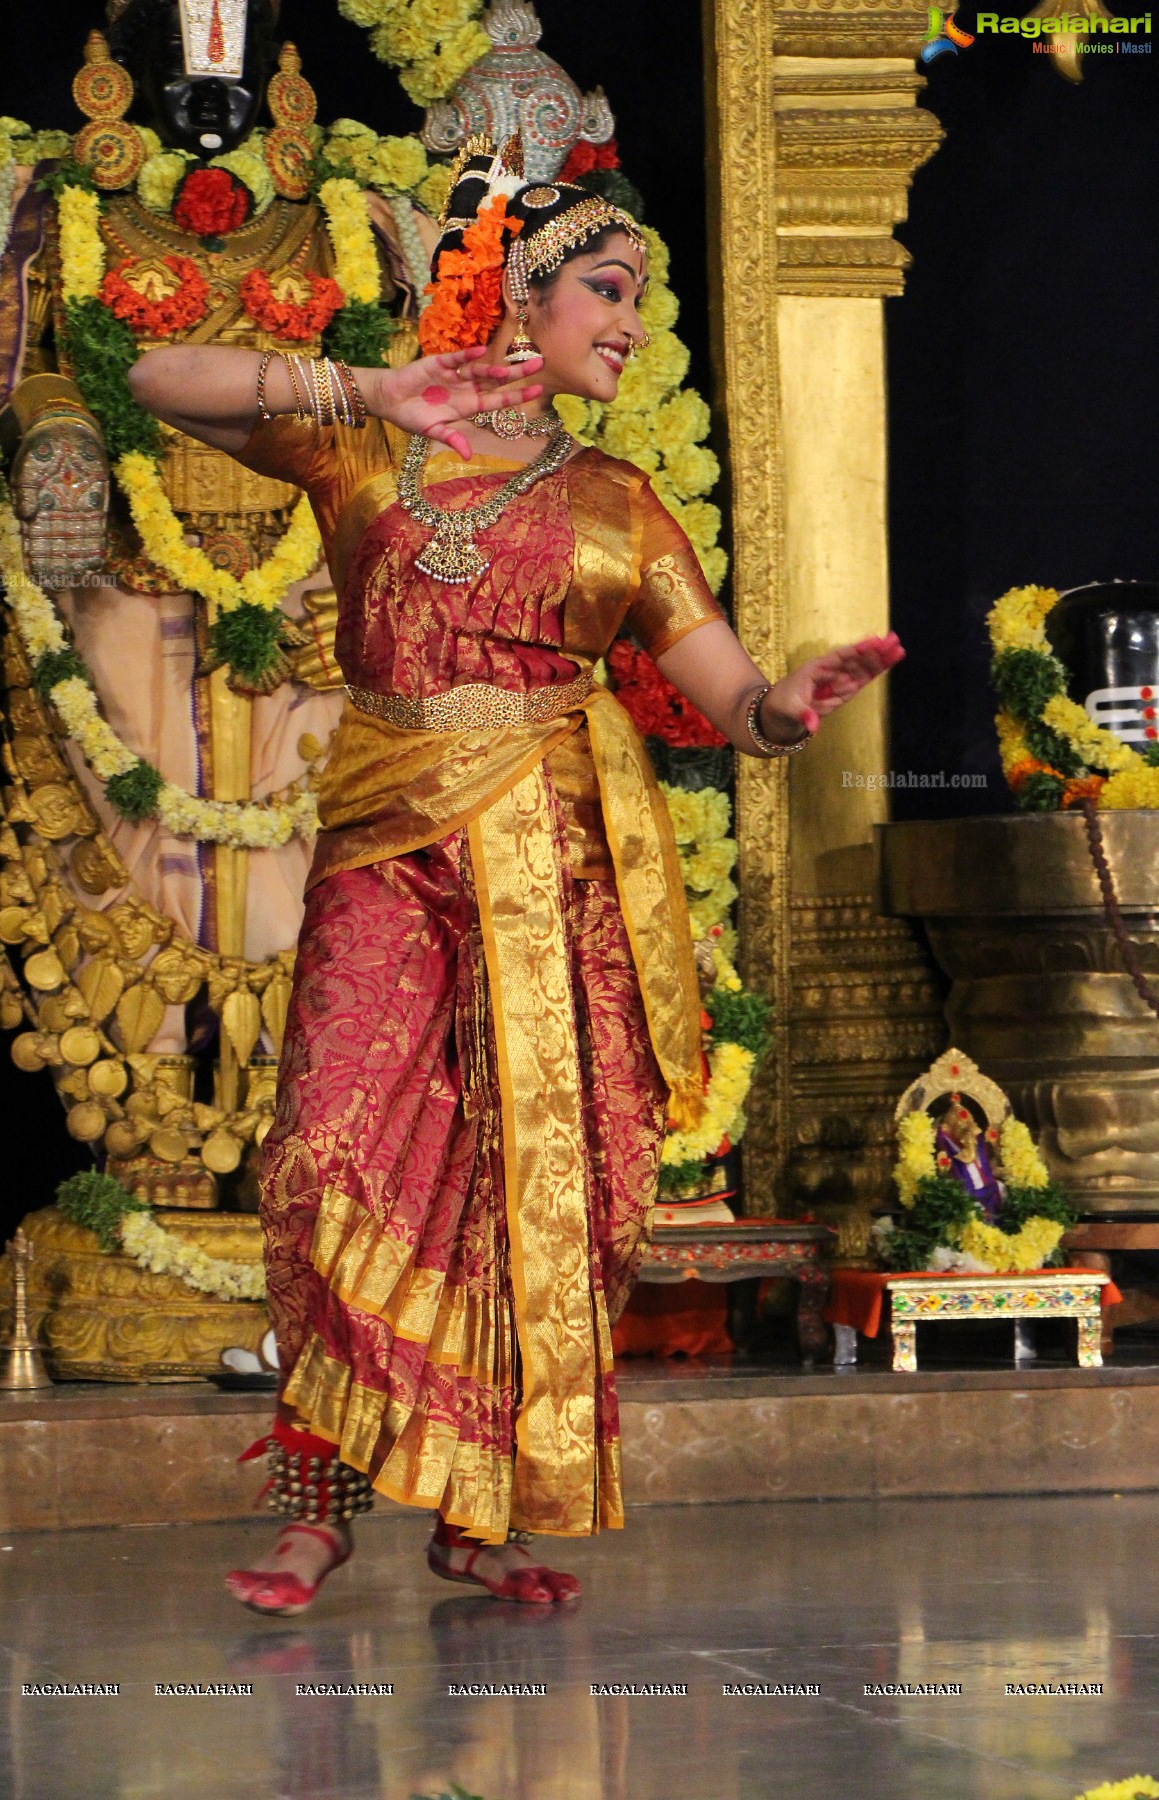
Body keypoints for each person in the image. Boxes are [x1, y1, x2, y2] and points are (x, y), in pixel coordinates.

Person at [128, 136, 904, 1614]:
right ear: (518, 302)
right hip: (388, 852)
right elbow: (158, 378)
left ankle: (482, 1515)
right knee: (322, 1166)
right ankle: (316, 1503)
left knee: (537, 1193)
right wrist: (365, 386)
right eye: (608, 290)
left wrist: (789, 706)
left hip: (557, 876)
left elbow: (732, 701)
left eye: (638, 301)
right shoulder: (369, 444)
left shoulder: (617, 504)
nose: (629, 322)